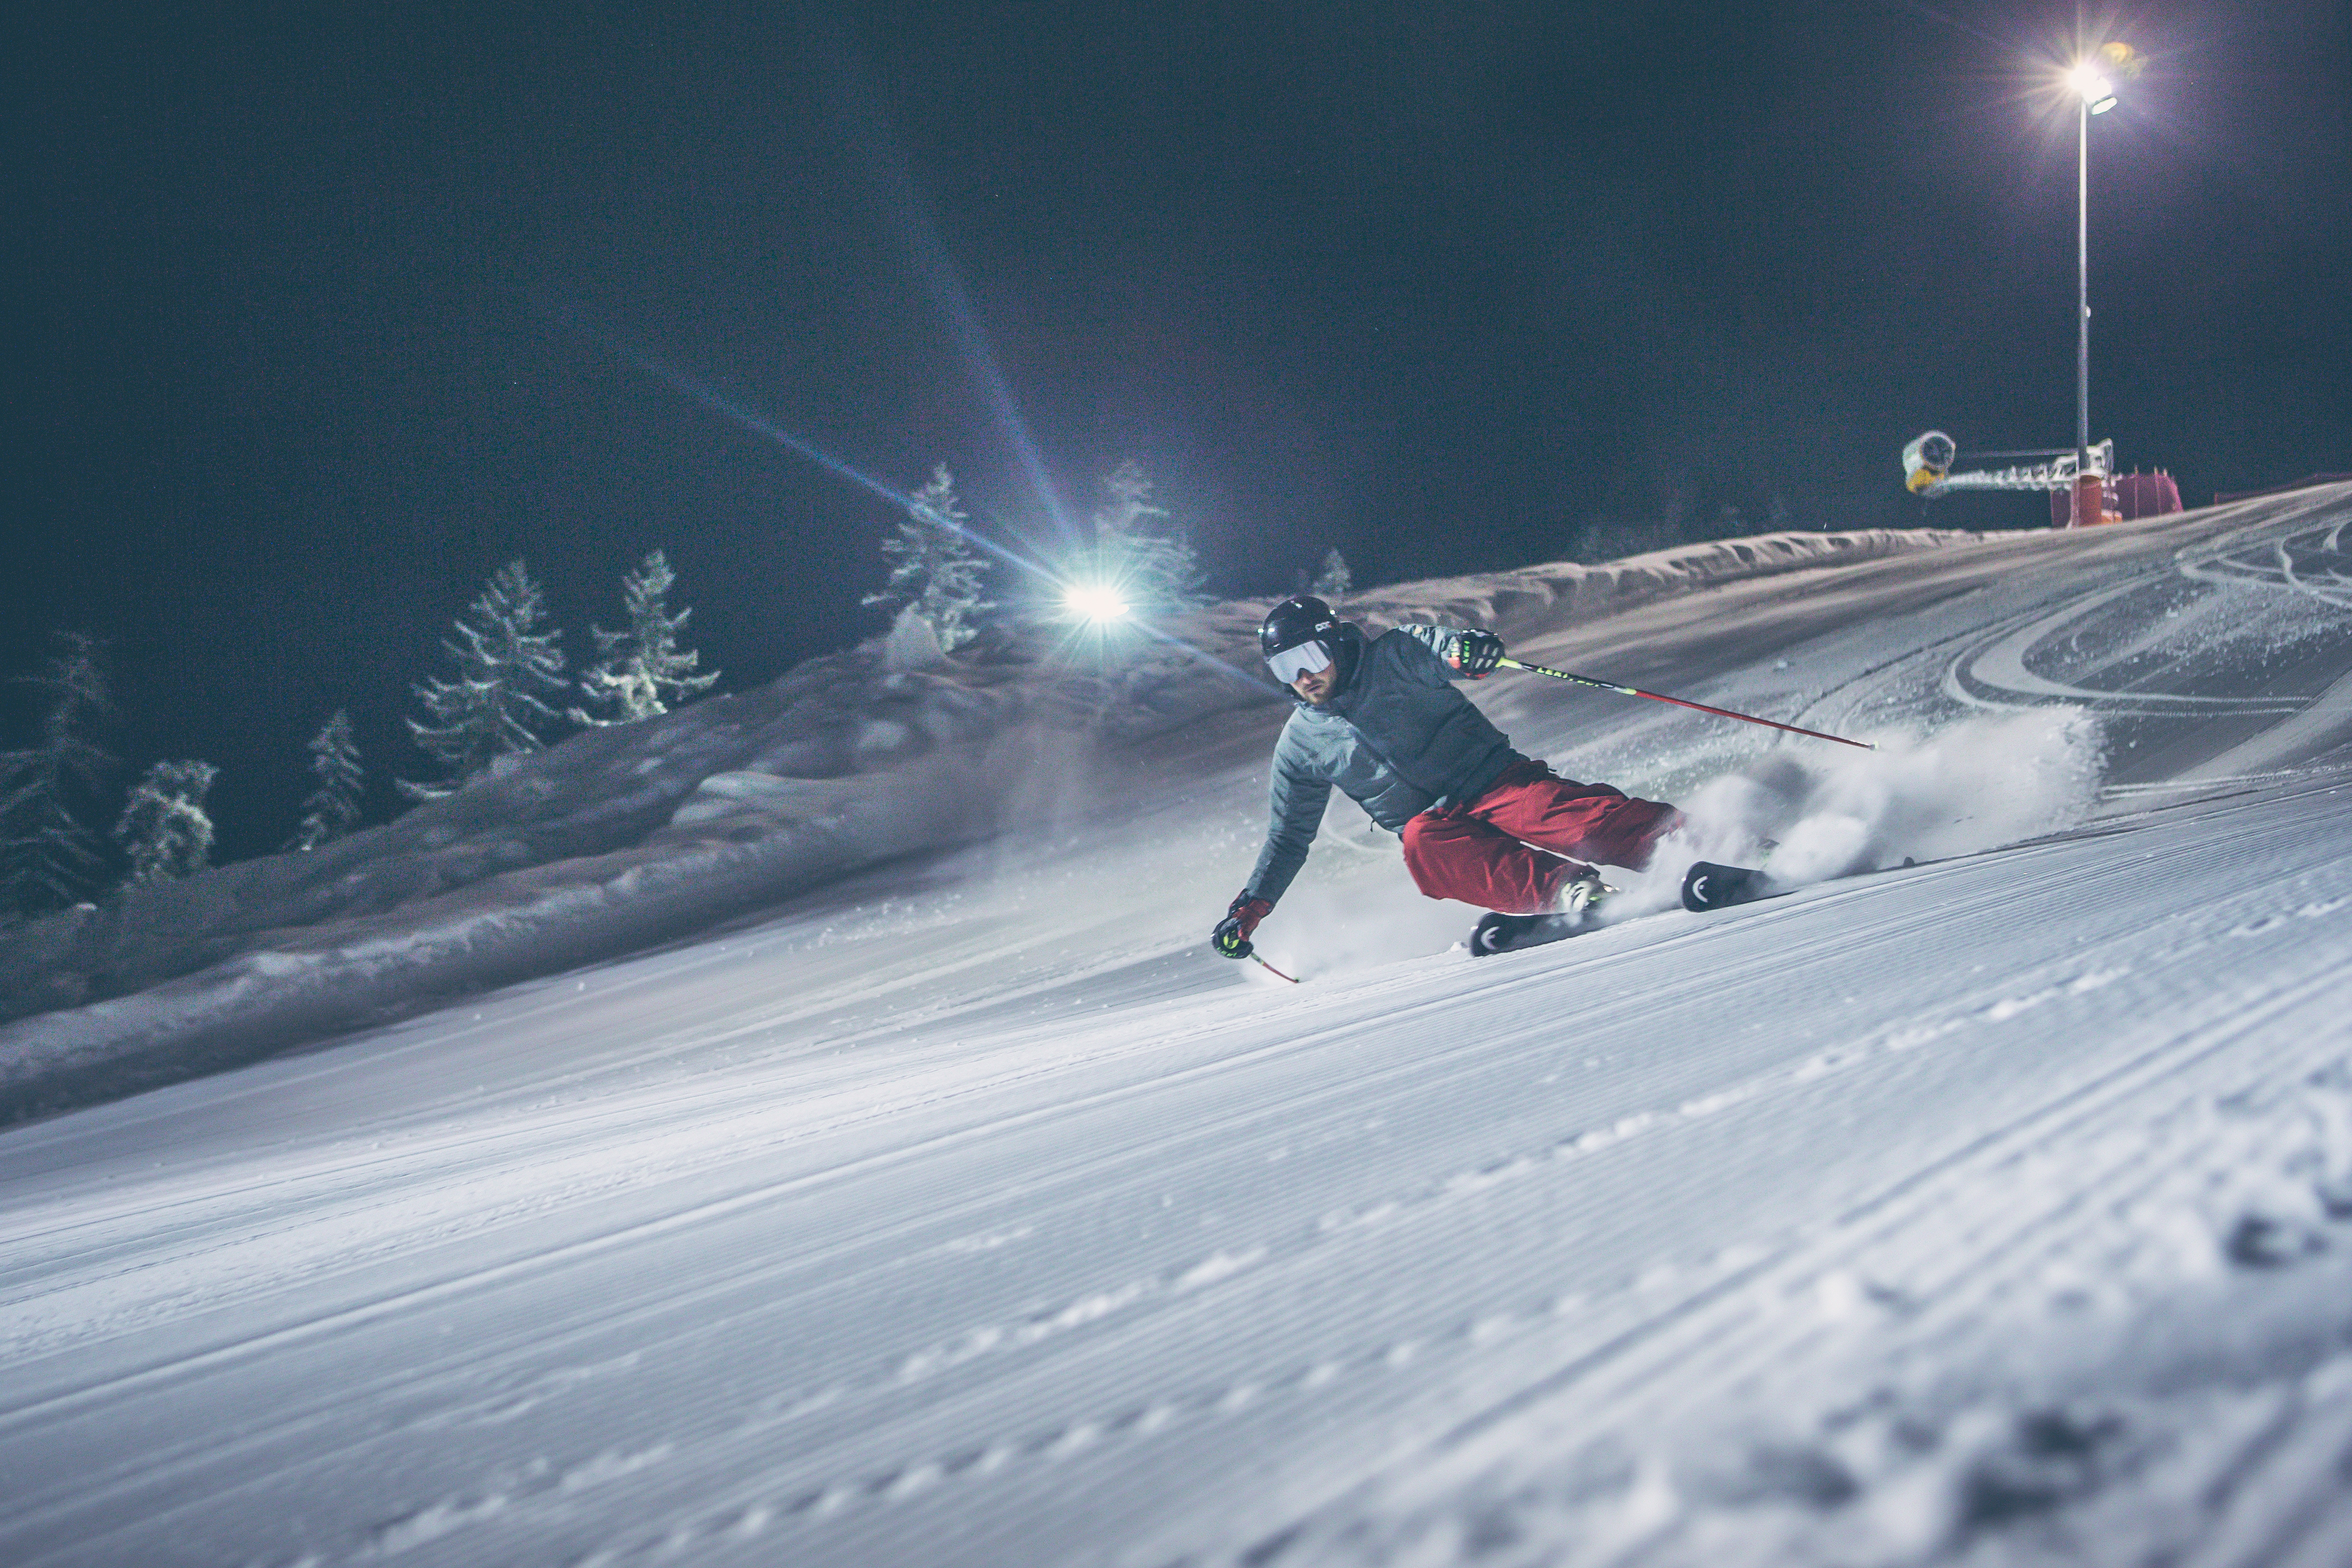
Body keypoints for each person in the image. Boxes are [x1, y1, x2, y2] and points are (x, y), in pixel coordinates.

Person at [1212, 595, 1682, 959]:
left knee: (1577, 824)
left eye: (1309, 656)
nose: (1302, 676)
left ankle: (1695, 843)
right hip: (1438, 826)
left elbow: (1436, 648)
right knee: (1422, 844)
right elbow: (1289, 837)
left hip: (1493, 781)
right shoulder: (1301, 744)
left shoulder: (1393, 657)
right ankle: (1571, 892)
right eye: (1283, 667)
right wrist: (1248, 910)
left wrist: (1465, 651)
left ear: (1333, 642)